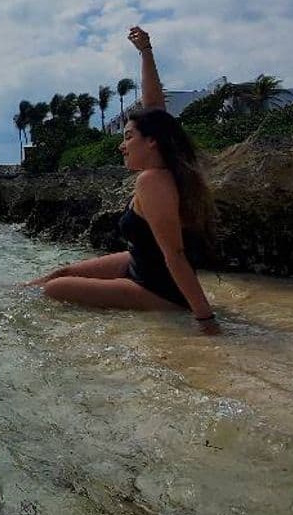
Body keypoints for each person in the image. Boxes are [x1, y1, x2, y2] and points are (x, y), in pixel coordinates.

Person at [21, 26, 219, 332]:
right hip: (139, 263)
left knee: (54, 290)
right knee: (60, 273)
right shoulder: (167, 165)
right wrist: (146, 52)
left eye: (128, 137)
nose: (121, 144)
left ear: (151, 141)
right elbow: (154, 108)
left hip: (160, 290)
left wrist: (205, 320)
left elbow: (175, 255)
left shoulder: (153, 181)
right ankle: (4, 293)